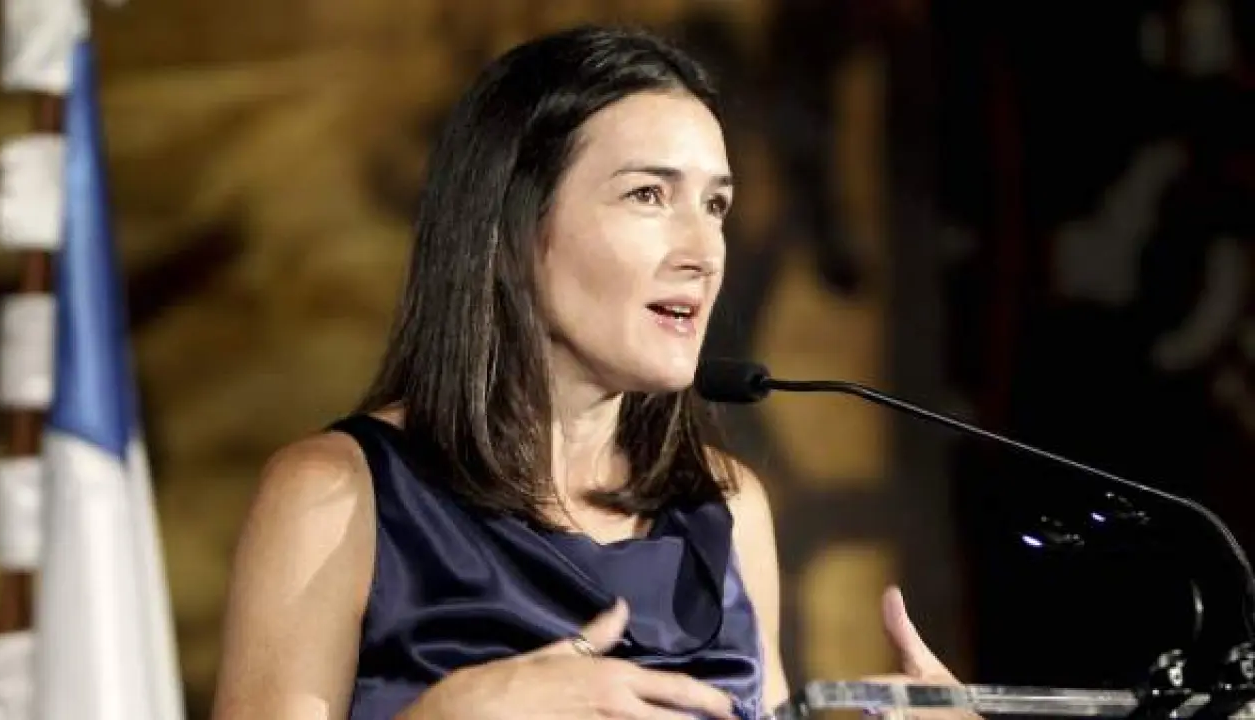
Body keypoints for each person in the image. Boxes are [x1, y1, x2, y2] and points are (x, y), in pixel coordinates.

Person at [211, 24, 961, 720]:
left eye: (716, 205)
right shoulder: (335, 497)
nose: (703, 251)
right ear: (512, 229)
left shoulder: (727, 509)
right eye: (648, 195)